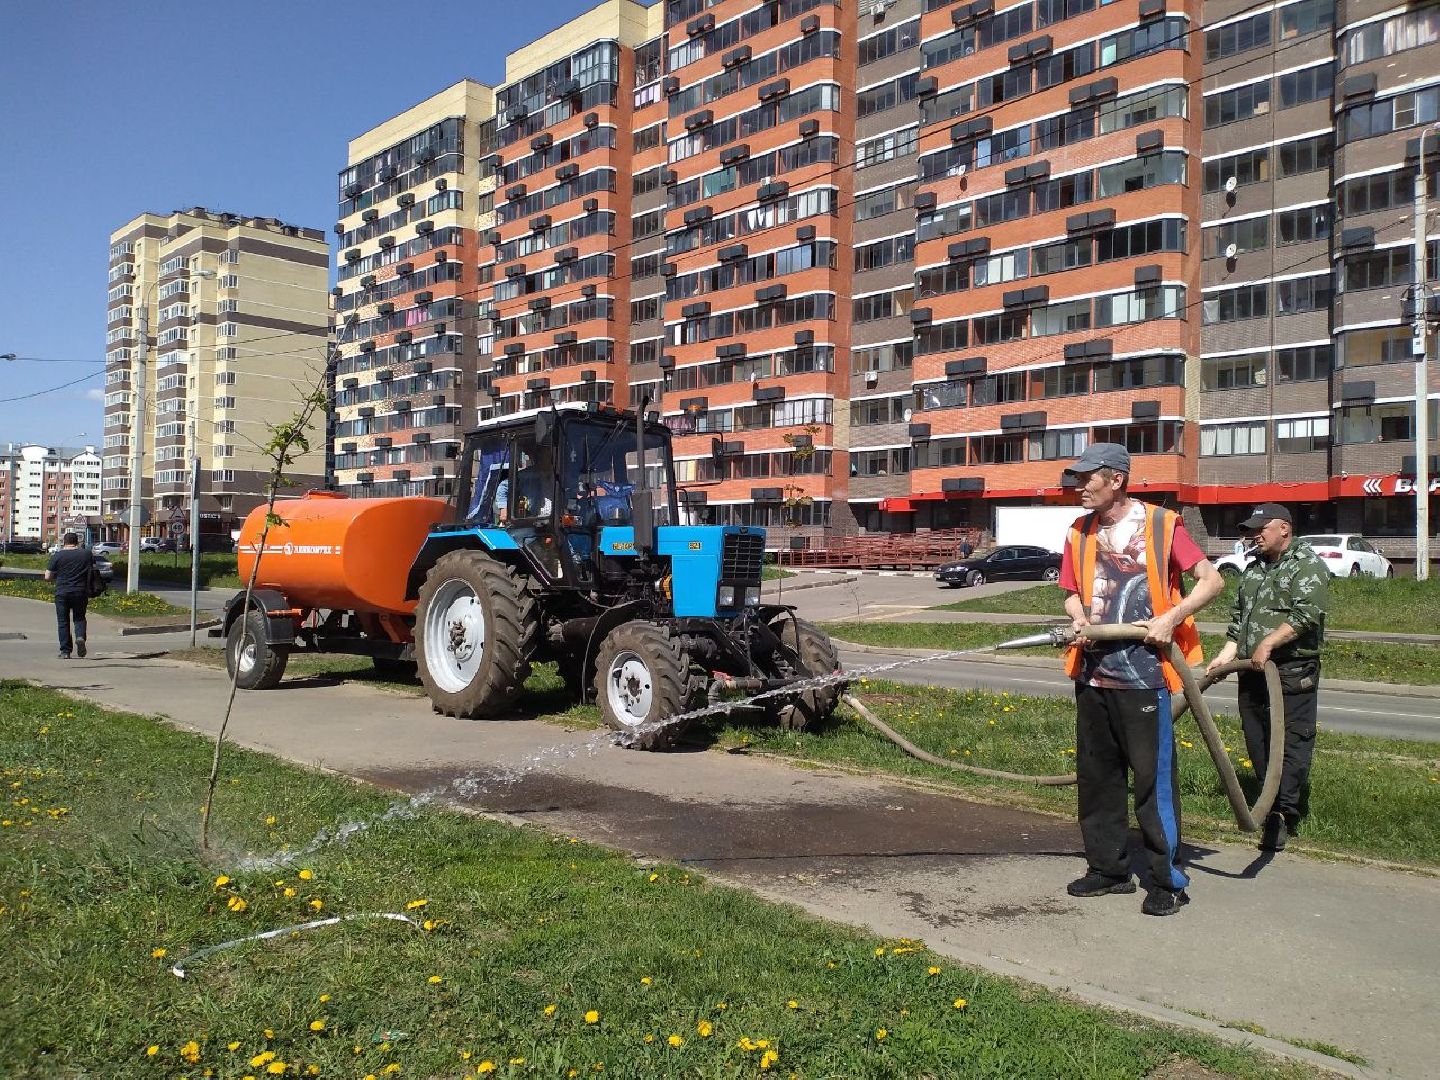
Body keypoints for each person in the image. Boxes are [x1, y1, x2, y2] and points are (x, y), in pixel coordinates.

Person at [1057, 443, 1224, 916]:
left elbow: (1212, 582)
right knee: (1098, 779)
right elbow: (1070, 591)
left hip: (1146, 675)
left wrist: (1172, 617)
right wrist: (1078, 617)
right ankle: (1107, 870)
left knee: (1152, 784)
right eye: (1077, 477)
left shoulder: (1161, 524)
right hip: (1092, 676)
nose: (1079, 485)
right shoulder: (1078, 531)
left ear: (1116, 480)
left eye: (1087, 477)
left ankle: (1167, 880)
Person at [1206, 503, 1328, 852]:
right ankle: (1267, 800)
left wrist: (1270, 643)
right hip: (1252, 671)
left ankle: (1283, 814)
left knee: (1290, 741)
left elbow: (1308, 613)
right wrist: (1226, 655)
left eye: (1261, 528)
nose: (1253, 535)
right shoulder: (1255, 569)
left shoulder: (1307, 565)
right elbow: (1239, 620)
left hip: (1290, 671)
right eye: (1250, 529)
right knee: (1257, 738)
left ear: (1284, 529)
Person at [44, 532, 94, 659]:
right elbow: (93, 569)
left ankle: (65, 651)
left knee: (63, 621)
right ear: (77, 541)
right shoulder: (86, 554)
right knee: (79, 617)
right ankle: (80, 637)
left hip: (62, 592)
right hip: (80, 591)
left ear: (64, 542)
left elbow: (47, 576)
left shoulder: (58, 555)